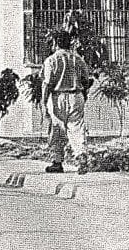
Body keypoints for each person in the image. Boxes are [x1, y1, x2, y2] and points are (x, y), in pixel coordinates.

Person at [42, 30, 90, 173]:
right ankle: (81, 155)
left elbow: (47, 83)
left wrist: (43, 102)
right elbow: (86, 80)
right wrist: (83, 95)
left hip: (58, 96)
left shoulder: (51, 60)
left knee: (57, 129)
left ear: (56, 43)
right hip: (76, 95)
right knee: (77, 127)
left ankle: (57, 161)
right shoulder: (78, 59)